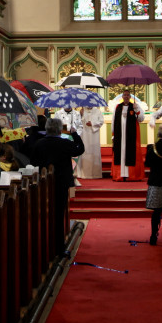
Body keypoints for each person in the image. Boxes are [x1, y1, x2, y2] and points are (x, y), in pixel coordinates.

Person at [32, 117, 85, 249]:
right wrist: (74, 134)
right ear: (60, 130)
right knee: (59, 213)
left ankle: (44, 243)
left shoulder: (39, 144)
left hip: (43, 185)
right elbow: (80, 149)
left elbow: (33, 162)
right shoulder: (64, 143)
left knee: (43, 213)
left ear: (47, 129)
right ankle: (59, 246)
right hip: (61, 182)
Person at [111, 91, 144, 181]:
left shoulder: (135, 106)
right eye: (124, 95)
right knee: (120, 152)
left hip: (131, 135)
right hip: (119, 135)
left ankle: (131, 175)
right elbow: (113, 121)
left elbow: (141, 119)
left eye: (127, 95)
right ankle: (120, 175)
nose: (126, 97)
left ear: (130, 97)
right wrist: (113, 134)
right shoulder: (118, 107)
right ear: (122, 96)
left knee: (130, 152)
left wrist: (136, 110)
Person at [76, 105, 105, 179]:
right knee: (84, 151)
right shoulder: (82, 110)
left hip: (94, 135)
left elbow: (101, 121)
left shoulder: (97, 111)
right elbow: (77, 123)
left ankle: (95, 174)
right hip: (84, 134)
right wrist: (81, 115)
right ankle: (83, 174)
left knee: (94, 151)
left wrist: (92, 123)